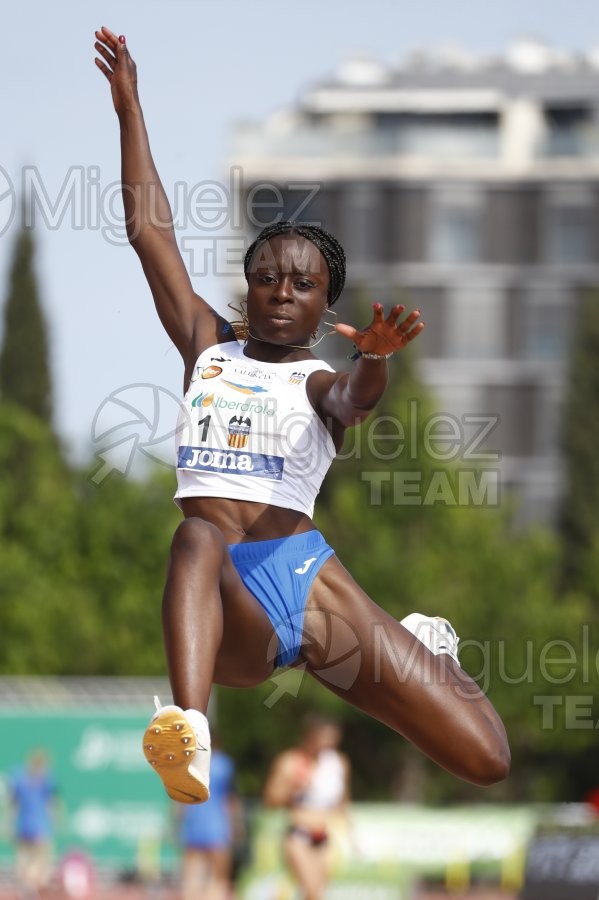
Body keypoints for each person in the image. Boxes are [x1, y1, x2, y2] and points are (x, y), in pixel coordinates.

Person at [93, 27, 510, 806]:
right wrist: (129, 109)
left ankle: (425, 644)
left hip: (306, 584)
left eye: (302, 283)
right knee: (193, 536)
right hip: (226, 600)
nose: (282, 290)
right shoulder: (207, 348)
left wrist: (376, 361)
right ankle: (186, 730)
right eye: (267, 277)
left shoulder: (321, 378)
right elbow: (150, 233)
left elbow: (353, 402)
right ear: (247, 289)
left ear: (324, 305)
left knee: (485, 756)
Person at [263, 715, 350, 900]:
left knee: (317, 894)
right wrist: (294, 786)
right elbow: (271, 800)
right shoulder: (290, 761)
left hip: (325, 836)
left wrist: (350, 831)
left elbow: (342, 802)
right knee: (312, 892)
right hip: (299, 835)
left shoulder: (338, 763)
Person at [176, 742, 239, 900]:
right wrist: (235, 826)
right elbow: (230, 799)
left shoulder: (187, 763)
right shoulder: (224, 764)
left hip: (193, 825)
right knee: (219, 877)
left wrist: (178, 825)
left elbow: (179, 803)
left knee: (192, 877)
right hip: (217, 826)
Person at [9, 749, 57, 898]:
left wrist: (10, 824)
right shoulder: (45, 781)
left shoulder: (20, 779)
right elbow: (50, 805)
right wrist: (53, 822)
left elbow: (14, 805)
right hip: (38, 827)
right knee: (41, 859)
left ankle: (26, 886)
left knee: (23, 860)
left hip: (22, 826)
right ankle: (30, 885)